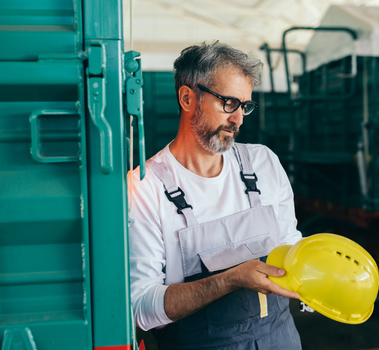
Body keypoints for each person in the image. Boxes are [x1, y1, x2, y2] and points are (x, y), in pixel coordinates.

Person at [128, 41, 303, 350]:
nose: (238, 119)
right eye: (229, 103)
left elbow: (291, 245)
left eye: (245, 105)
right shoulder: (146, 187)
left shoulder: (262, 163)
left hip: (281, 339)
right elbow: (141, 308)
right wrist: (230, 279)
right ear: (187, 98)